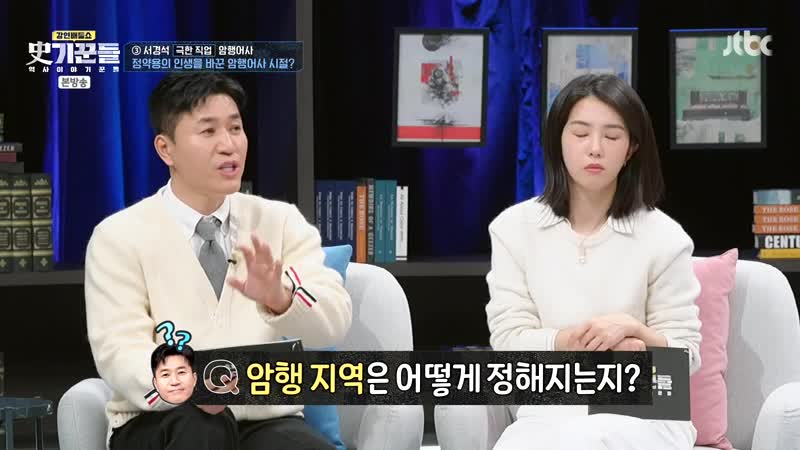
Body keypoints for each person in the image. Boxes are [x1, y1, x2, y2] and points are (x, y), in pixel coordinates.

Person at [85, 72, 351, 450]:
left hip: (264, 420)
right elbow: (119, 351)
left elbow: (333, 324)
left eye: (235, 128)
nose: (229, 145)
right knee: (201, 428)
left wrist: (281, 298)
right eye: (208, 131)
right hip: (160, 419)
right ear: (166, 149)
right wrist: (191, 385)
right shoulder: (118, 237)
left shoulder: (280, 222)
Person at [485, 74, 702, 449]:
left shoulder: (665, 236)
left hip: (646, 410)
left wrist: (634, 331)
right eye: (581, 133)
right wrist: (572, 340)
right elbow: (508, 340)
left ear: (631, 148)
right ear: (558, 140)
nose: (595, 148)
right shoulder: (512, 229)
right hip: (550, 409)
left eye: (612, 136)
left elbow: (687, 356)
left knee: (589, 437)